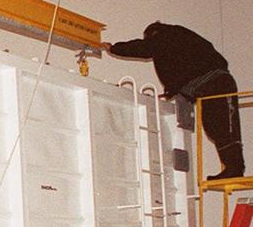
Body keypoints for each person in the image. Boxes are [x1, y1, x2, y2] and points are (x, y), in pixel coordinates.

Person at [104, 22, 243, 180]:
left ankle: (235, 168)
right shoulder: (179, 38)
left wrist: (114, 48)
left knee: (223, 127)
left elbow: (142, 48)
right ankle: (233, 168)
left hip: (216, 84)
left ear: (152, 34)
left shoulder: (165, 36)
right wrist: (172, 91)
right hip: (212, 85)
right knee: (216, 127)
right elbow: (185, 65)